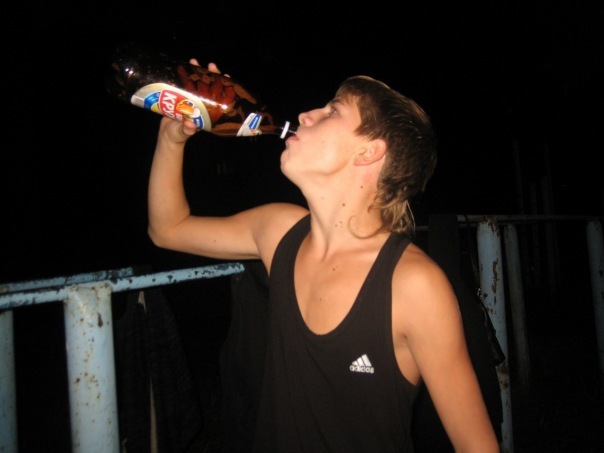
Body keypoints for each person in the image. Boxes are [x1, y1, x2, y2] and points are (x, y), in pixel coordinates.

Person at [147, 60, 500, 452]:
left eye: (333, 111)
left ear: (369, 151)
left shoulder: (413, 285)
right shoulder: (279, 231)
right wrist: (171, 139)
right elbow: (168, 229)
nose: (305, 115)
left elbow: (478, 446)